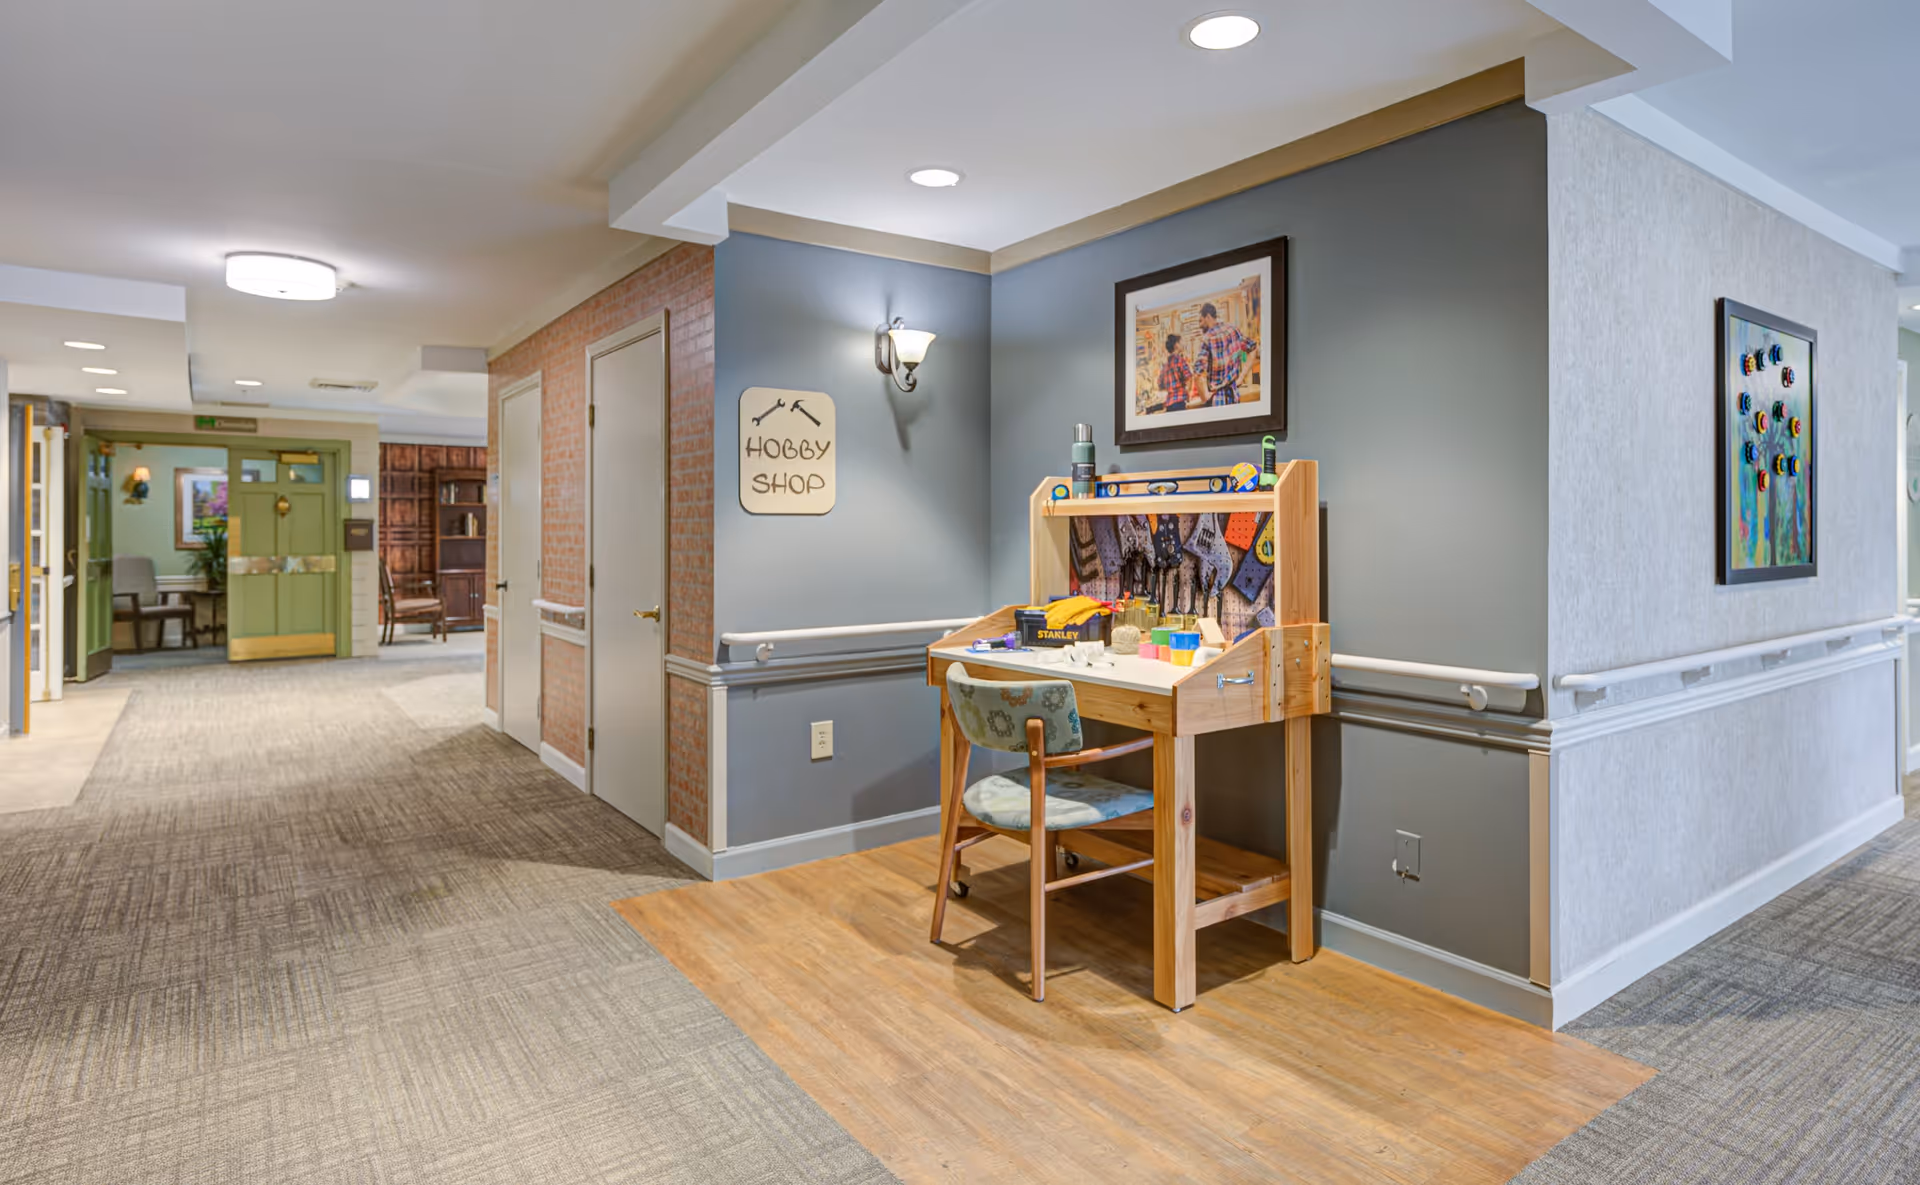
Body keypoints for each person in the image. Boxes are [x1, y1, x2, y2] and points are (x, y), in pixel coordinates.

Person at [1195, 302, 1257, 407]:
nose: (1200, 325)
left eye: (1201, 320)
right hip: (1234, 395)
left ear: (1208, 317)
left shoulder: (1207, 339)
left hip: (1217, 400)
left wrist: (1205, 398)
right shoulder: (1233, 330)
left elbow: (1198, 374)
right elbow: (1253, 348)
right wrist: (1241, 377)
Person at [1156, 333, 1194, 413]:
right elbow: (1189, 378)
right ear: (1176, 345)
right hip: (1180, 402)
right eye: (1181, 342)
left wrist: (1171, 389)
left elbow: (1160, 384)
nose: (1183, 344)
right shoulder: (1180, 360)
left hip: (1169, 404)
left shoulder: (1165, 365)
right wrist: (1188, 394)